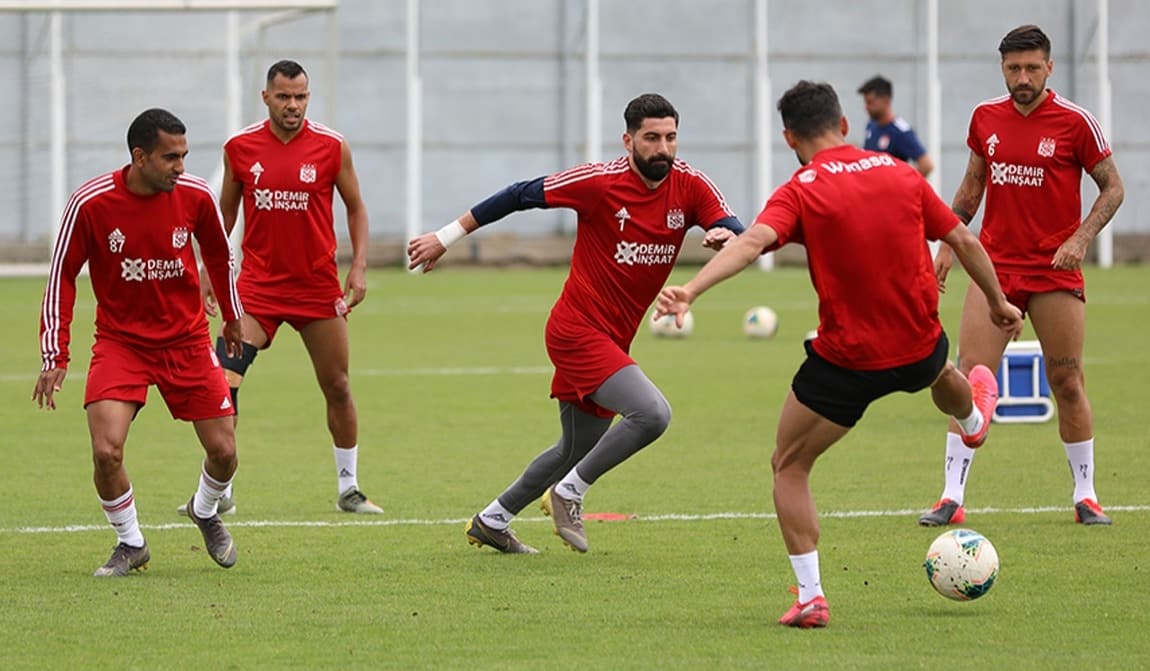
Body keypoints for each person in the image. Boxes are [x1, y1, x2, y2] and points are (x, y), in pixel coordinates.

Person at [654, 81, 1023, 628]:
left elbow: (752, 243)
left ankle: (811, 597)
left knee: (789, 465)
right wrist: (998, 302)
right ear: (845, 125)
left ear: (789, 138)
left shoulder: (801, 189)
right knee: (938, 367)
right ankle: (972, 420)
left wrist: (690, 290)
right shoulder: (901, 174)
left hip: (847, 361)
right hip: (917, 343)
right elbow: (964, 241)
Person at [408, 93, 745, 554]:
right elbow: (519, 194)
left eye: (670, 137)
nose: (663, 148)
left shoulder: (690, 185)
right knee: (652, 414)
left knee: (574, 449)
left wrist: (727, 233)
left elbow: (735, 228)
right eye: (651, 138)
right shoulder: (599, 182)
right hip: (576, 331)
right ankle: (569, 492)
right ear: (627, 140)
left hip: (615, 339)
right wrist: (445, 237)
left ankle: (492, 520)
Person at [918, 24, 1125, 528]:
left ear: (1049, 67)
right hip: (994, 269)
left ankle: (1086, 496)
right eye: (1014, 68)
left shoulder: (1077, 122)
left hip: (1054, 273)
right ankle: (950, 497)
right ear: (1003, 69)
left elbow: (1113, 188)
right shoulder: (985, 117)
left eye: (1032, 68)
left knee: (1067, 380)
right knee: (969, 378)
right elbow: (971, 188)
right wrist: (947, 245)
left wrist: (1080, 239)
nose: (1023, 77)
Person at [34, 108, 245, 576]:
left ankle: (205, 510)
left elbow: (219, 254)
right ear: (140, 156)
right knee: (106, 451)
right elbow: (61, 275)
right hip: (121, 344)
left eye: (184, 155)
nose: (181, 167)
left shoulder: (196, 196)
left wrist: (232, 317)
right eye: (171, 157)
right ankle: (131, 542)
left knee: (225, 452)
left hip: (187, 340)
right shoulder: (90, 203)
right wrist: (55, 353)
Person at [190, 59, 382, 515]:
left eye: (300, 97)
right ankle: (220, 490)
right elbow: (224, 215)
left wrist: (358, 266)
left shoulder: (332, 147)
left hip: (317, 289)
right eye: (283, 97)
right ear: (266, 98)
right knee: (224, 379)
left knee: (337, 385)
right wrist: (209, 269)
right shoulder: (239, 147)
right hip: (257, 289)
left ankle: (349, 487)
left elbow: (356, 207)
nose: (292, 105)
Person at [857, 75, 935, 177]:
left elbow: (926, 165)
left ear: (885, 100)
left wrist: (903, 184)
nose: (866, 107)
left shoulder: (901, 132)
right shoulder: (871, 125)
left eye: (870, 102)